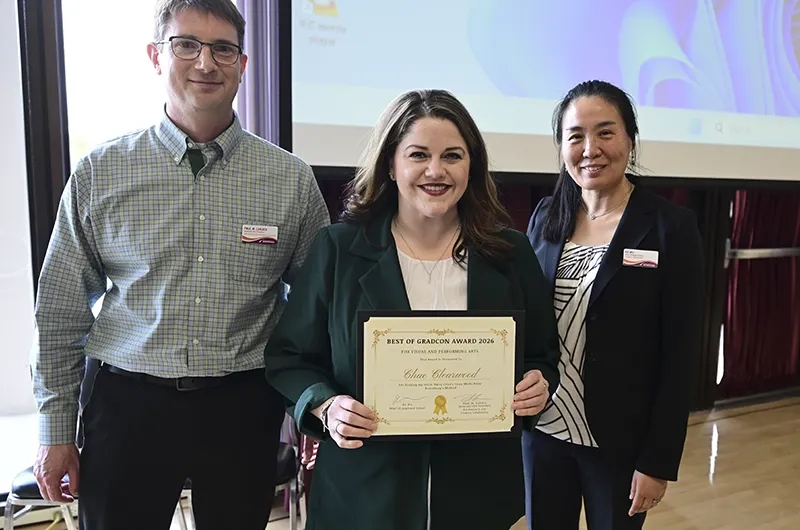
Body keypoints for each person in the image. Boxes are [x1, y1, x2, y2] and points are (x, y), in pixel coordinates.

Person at [29, 1, 330, 529]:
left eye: (223, 49)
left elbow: (318, 311)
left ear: (241, 64)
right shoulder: (102, 172)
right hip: (127, 405)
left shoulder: (290, 180)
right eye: (186, 45)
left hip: (242, 407)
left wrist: (315, 406)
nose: (205, 63)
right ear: (155, 55)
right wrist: (55, 430)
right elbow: (60, 311)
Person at [263, 89, 560, 530]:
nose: (435, 171)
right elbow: (289, 359)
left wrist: (539, 384)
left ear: (471, 166)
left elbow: (541, 354)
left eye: (453, 156)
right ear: (391, 163)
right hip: (364, 495)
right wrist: (326, 407)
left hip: (477, 495)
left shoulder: (510, 252)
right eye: (418, 154)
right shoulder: (339, 249)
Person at [523, 79, 705, 529]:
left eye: (605, 132)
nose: (591, 149)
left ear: (630, 138)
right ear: (561, 145)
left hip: (620, 444)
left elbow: (680, 353)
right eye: (576, 136)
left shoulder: (670, 228)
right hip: (543, 433)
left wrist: (658, 460)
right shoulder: (546, 217)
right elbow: (522, 321)